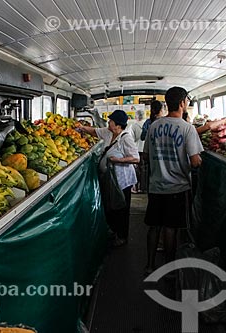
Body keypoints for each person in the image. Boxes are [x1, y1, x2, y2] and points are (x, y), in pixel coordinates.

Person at [143, 87, 204, 274]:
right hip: (177, 188)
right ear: (182, 103)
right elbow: (195, 161)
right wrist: (198, 160)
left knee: (154, 227)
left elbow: (145, 156)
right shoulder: (187, 129)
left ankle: (150, 265)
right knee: (171, 229)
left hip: (155, 186)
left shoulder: (154, 126)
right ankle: (169, 270)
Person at [80, 110, 140, 247]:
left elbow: (136, 158)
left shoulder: (126, 138)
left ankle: (122, 236)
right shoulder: (108, 132)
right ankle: (113, 232)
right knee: (111, 206)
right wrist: (82, 128)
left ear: (118, 125)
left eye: (111, 121)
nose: (108, 122)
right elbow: (94, 131)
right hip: (110, 180)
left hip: (122, 181)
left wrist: (119, 160)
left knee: (121, 209)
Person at [128, 110, 146, 193]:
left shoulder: (133, 126)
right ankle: (143, 187)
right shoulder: (147, 124)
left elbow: (131, 139)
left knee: (136, 169)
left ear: (136, 116)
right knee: (144, 169)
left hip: (137, 150)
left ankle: (135, 187)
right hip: (145, 150)